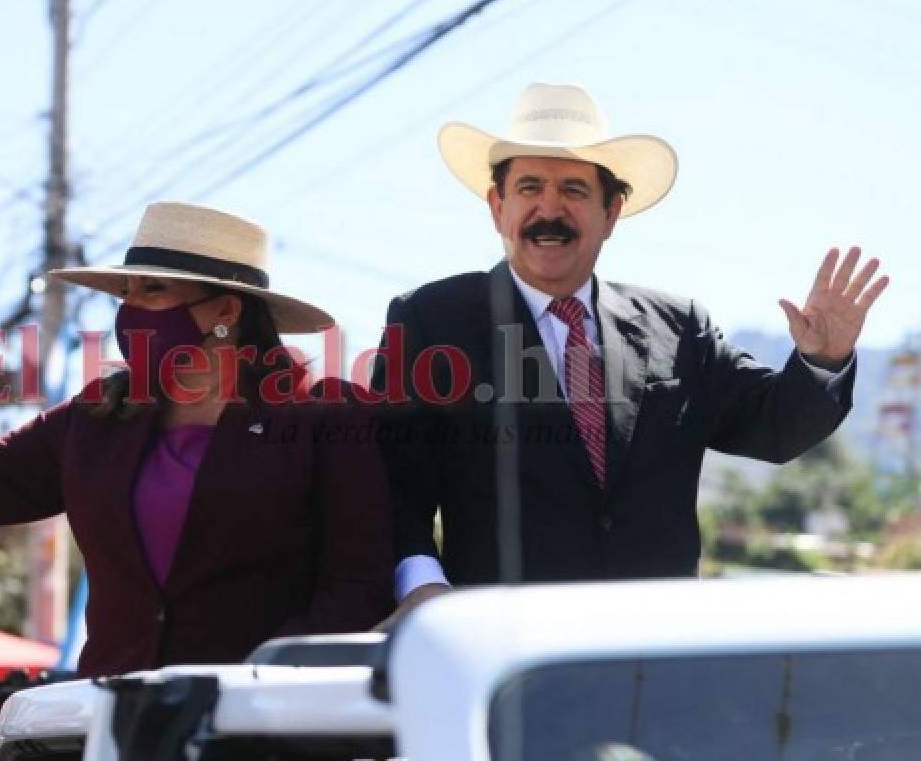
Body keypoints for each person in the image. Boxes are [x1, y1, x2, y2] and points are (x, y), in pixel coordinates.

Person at [0, 201, 394, 676]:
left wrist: (263, 684)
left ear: (227, 310)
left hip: (267, 734)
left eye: (153, 289)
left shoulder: (325, 417)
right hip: (114, 727)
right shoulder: (100, 416)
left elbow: (357, 586)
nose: (128, 308)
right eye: (125, 290)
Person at [373, 82, 888, 617]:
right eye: (529, 188)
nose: (549, 209)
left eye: (573, 190)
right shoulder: (431, 320)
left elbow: (777, 426)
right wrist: (422, 587)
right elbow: (393, 484)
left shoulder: (679, 328)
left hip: (654, 649)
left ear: (611, 212)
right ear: (498, 206)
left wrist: (822, 360)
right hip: (503, 650)